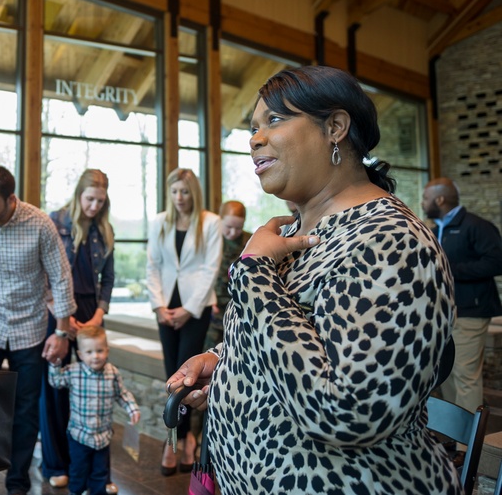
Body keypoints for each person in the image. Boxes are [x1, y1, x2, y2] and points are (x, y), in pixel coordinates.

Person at [167, 65, 457, 494]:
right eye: (252, 127)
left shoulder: (390, 239)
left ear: (335, 127)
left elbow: (347, 412)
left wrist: (253, 272)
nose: (255, 138)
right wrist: (226, 359)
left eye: (275, 120)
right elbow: (295, 339)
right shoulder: (289, 234)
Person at [0, 165, 75, 495]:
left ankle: (18, 485)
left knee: (24, 414)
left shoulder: (39, 224)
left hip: (30, 330)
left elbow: (61, 278)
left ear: (10, 199)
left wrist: (62, 333)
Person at [40, 168, 116, 489]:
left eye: (100, 201)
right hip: (57, 311)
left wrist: (98, 316)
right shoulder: (54, 222)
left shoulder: (105, 229)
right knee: (56, 389)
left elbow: (108, 279)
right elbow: (41, 271)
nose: (94, 206)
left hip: (89, 313)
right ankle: (56, 465)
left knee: (89, 390)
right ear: (78, 194)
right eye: (89, 199)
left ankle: (88, 470)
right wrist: (60, 315)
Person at [146, 167, 221, 475]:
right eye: (175, 191)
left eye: (185, 192)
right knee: (171, 373)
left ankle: (186, 437)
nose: (179, 197)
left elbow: (210, 268)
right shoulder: (160, 221)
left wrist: (189, 309)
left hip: (196, 307)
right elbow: (153, 265)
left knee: (187, 377)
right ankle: (175, 437)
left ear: (195, 193)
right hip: (166, 306)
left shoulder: (210, 222)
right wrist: (159, 307)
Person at [423, 178, 502, 415]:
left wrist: (451, 269)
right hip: (444, 313)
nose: (422, 202)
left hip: (471, 311)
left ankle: (467, 446)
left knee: (466, 375)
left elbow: (496, 262)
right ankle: (452, 436)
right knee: (446, 373)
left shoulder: (476, 226)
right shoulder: (436, 229)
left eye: (426, 198)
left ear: (440, 199)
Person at [47, 326, 140, 495]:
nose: (95, 356)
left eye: (99, 351)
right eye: (89, 352)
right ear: (80, 354)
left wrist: (132, 409)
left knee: (100, 473)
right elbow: (56, 381)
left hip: (102, 437)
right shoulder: (74, 371)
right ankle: (76, 491)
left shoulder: (112, 373)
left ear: (107, 351)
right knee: (78, 471)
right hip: (79, 435)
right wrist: (55, 364)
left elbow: (122, 394)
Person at [204, 200, 251, 350]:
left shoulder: (250, 241)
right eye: (228, 227)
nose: (233, 233)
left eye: (238, 228)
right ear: (220, 220)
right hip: (212, 306)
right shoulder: (211, 240)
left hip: (237, 306)